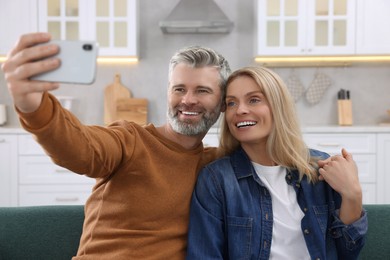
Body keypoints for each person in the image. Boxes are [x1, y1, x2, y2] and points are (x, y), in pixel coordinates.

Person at [1, 32, 231, 259]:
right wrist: (33, 105)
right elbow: (81, 148)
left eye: (202, 90)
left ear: (223, 104)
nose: (187, 99)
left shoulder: (217, 166)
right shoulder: (130, 140)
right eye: (179, 89)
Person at [186, 66, 367, 260]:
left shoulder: (320, 169)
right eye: (231, 103)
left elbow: (347, 253)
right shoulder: (216, 180)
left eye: (254, 100)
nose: (240, 110)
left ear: (278, 106)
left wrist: (353, 194)